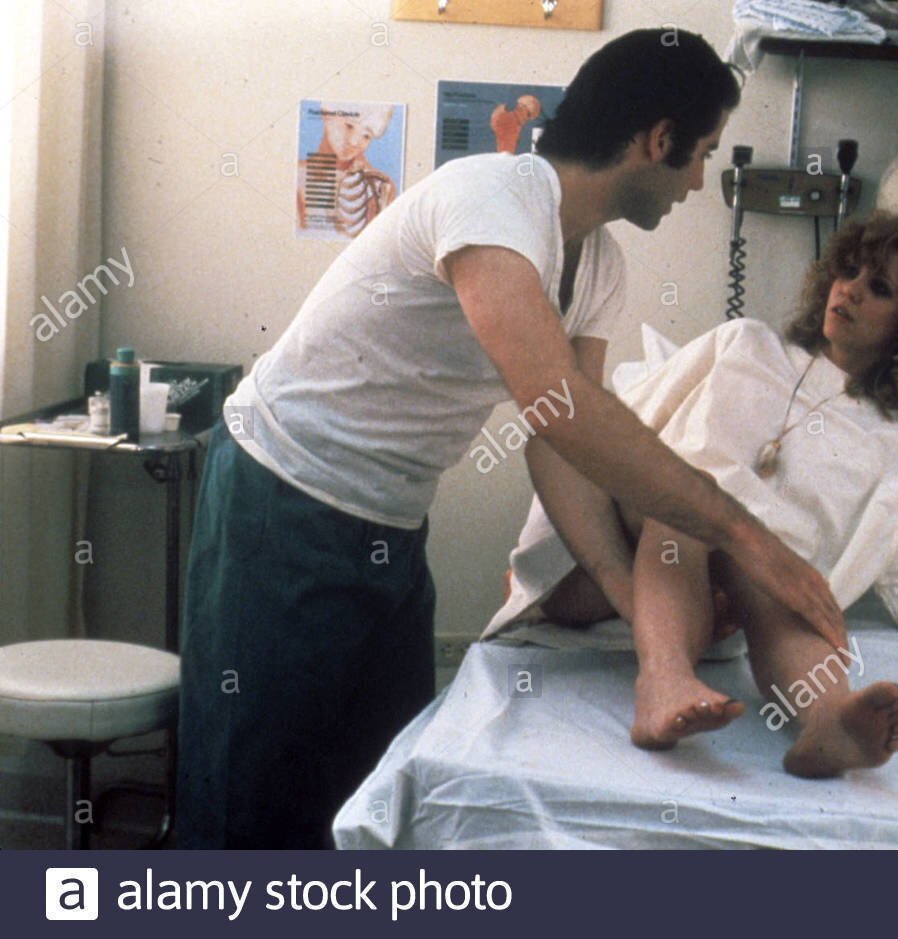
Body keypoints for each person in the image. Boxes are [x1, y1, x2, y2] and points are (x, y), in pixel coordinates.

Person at [178, 28, 844, 848]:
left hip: (390, 524)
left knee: (377, 791)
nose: (700, 181)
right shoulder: (491, 196)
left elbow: (562, 443)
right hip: (282, 499)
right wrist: (749, 535)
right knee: (250, 802)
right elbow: (559, 404)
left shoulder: (597, 265)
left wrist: (637, 609)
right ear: (658, 139)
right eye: (701, 154)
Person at [521, 214, 898, 778]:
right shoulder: (745, 344)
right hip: (625, 558)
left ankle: (829, 720)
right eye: (848, 271)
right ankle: (663, 681)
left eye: (878, 288)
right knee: (687, 514)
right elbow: (608, 436)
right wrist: (546, 545)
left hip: (730, 601)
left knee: (783, 591)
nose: (850, 289)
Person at [296, 101, 398, 238]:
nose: (353, 142)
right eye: (349, 126)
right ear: (326, 116)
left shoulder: (380, 186)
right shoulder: (297, 175)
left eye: (366, 136)